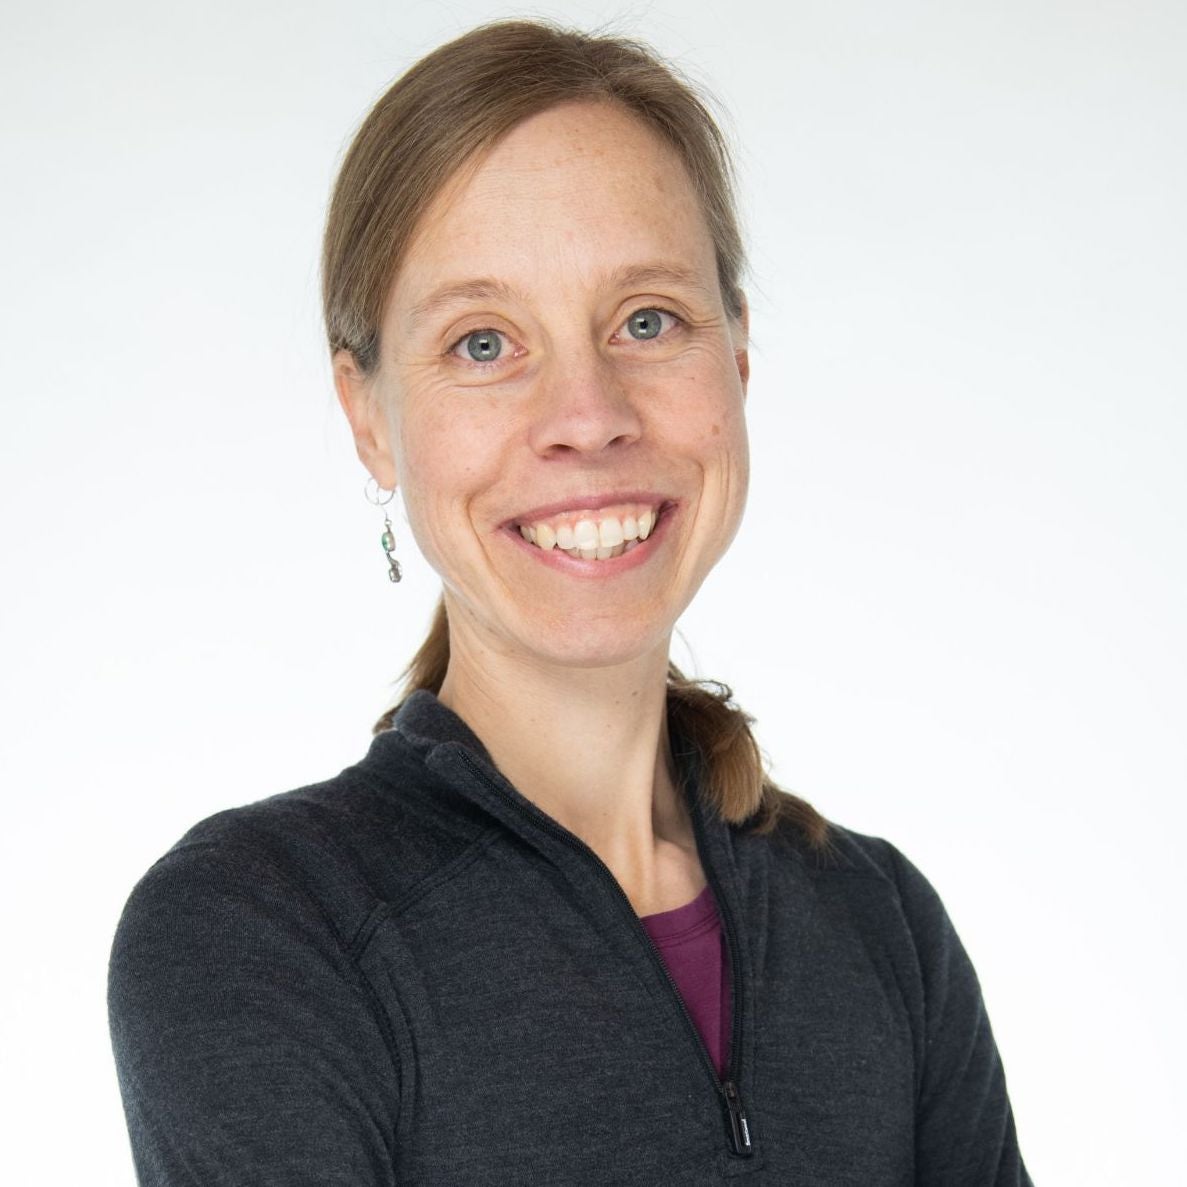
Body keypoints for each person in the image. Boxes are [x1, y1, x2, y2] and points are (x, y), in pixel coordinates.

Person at [108, 20, 1031, 1185]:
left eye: (647, 321)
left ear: (736, 357)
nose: (587, 412)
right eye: (483, 341)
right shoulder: (260, 930)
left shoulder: (879, 926)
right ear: (366, 414)